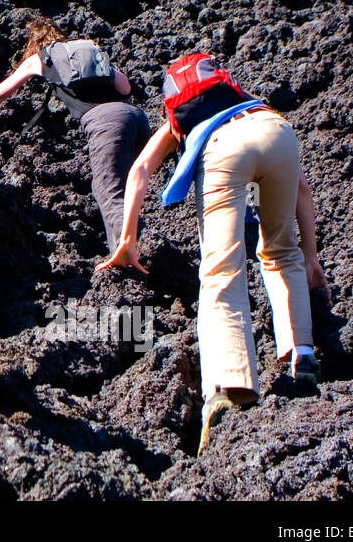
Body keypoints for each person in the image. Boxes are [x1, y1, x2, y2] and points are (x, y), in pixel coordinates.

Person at [96, 53, 328, 456]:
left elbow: (140, 171)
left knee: (222, 269)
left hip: (223, 150)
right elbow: (303, 189)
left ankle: (228, 384)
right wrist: (311, 254)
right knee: (280, 250)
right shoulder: (247, 100)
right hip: (278, 134)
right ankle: (301, 354)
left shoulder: (179, 117)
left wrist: (127, 239)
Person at [0, 17, 151, 253]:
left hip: (105, 122)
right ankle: (141, 247)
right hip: (137, 118)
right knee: (129, 188)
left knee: (108, 190)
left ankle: (129, 256)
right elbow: (125, 88)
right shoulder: (89, 51)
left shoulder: (42, 57)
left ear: (36, 42)